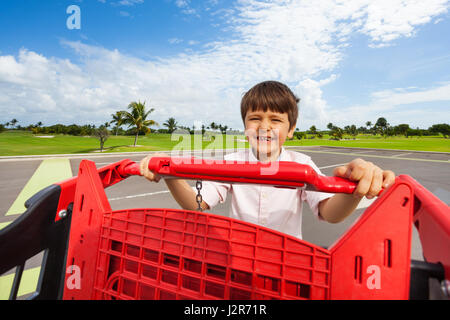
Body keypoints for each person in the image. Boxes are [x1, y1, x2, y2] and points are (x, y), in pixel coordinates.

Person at [140, 80, 395, 239]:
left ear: (291, 129)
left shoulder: (303, 164)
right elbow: (197, 204)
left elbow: (330, 213)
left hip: (288, 260)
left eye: (275, 120)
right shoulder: (230, 162)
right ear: (244, 125)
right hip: (237, 259)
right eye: (255, 118)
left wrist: (355, 190)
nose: (264, 127)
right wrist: (170, 174)